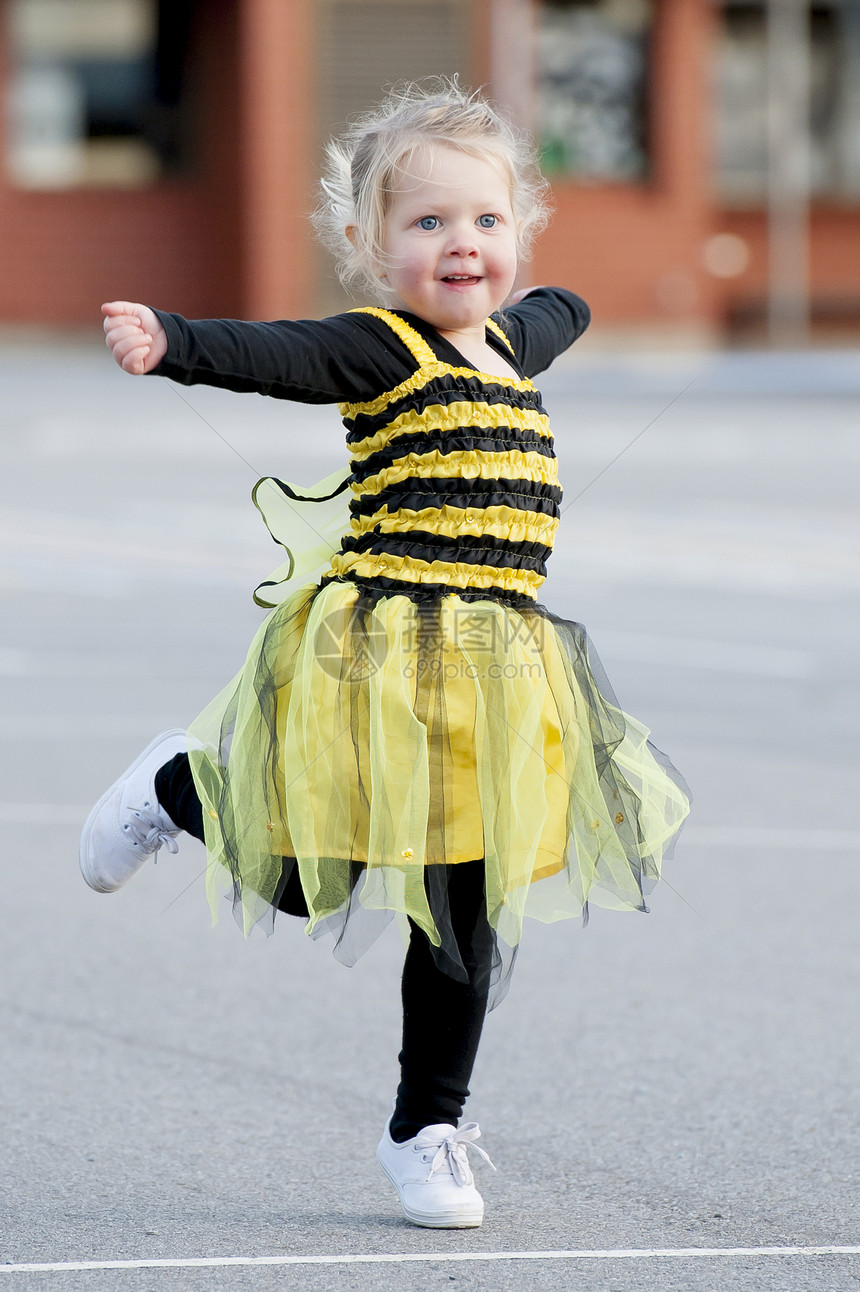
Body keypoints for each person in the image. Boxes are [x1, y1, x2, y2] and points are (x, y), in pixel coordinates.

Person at [80, 79, 690, 1230]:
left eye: (486, 221)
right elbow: (282, 353)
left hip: (498, 669)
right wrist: (174, 344)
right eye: (427, 223)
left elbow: (561, 305)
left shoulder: (516, 340)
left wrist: (555, 298)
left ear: (515, 233)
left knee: (467, 903)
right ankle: (175, 786)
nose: (462, 243)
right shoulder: (381, 350)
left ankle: (427, 1126)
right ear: (369, 245)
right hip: (374, 665)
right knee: (310, 875)